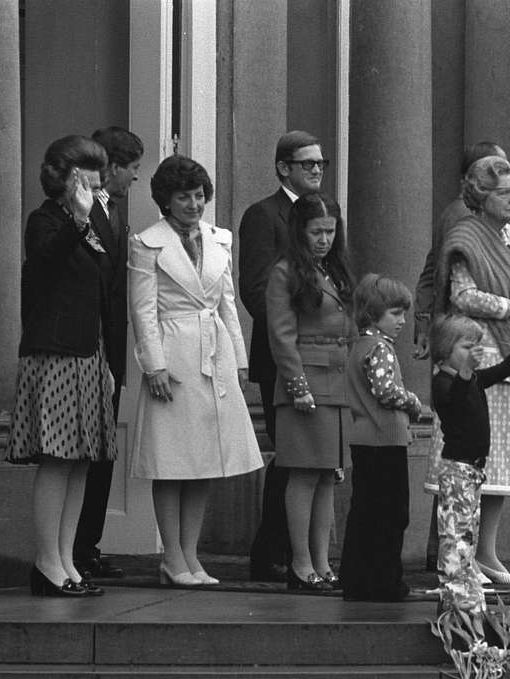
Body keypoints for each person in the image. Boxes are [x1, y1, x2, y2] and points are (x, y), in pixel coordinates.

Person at [128, 155, 263, 586]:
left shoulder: (217, 239)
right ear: (166, 201)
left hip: (214, 354)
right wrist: (154, 366)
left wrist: (239, 362)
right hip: (172, 352)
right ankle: (171, 555)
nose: (193, 204)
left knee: (205, 460)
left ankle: (191, 553)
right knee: (171, 459)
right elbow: (142, 311)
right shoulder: (147, 243)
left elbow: (227, 303)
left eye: (199, 195)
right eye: (183, 196)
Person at [5, 135, 118, 597]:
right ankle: (46, 562)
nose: (94, 187)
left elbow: (102, 289)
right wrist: (78, 213)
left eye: (97, 180)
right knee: (56, 460)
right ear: (65, 180)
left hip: (88, 353)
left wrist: (107, 357)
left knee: (80, 464)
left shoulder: (91, 222)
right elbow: (47, 257)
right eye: (85, 179)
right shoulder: (46, 220)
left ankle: (67, 559)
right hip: (53, 354)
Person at [425, 155, 510, 585]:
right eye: (505, 193)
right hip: (477, 351)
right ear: (482, 195)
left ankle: (488, 554)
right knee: (469, 458)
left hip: (508, 349)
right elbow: (463, 295)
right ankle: (463, 554)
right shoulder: (466, 236)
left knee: (500, 462)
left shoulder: (507, 237)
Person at [414, 141, 507, 572]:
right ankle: (450, 558)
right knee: (454, 453)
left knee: (476, 465)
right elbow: (444, 274)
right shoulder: (463, 221)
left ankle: (469, 556)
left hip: (493, 345)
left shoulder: (504, 231)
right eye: (502, 181)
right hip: (468, 340)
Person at [240, 130, 326, 582]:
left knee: (316, 460)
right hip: (283, 357)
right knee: (292, 456)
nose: (316, 170)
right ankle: (270, 553)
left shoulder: (323, 215)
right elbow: (255, 289)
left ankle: (303, 555)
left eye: (320, 163)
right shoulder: (264, 215)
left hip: (323, 362)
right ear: (283, 168)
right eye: (307, 163)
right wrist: (292, 330)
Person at [430, 315, 510, 613]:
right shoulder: (443, 381)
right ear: (447, 348)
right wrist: (465, 371)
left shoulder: (471, 378)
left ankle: (465, 588)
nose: (474, 351)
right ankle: (454, 594)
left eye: (476, 345)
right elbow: (454, 402)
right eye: (466, 346)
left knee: (467, 532)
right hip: (455, 469)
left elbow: (503, 369)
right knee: (454, 535)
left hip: (473, 469)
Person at [266, 191, 354, 591]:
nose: (324, 239)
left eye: (330, 231)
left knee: (326, 478)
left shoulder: (333, 270)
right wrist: (297, 386)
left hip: (337, 384)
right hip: (306, 385)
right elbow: (282, 337)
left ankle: (322, 563)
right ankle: (301, 565)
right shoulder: (285, 272)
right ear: (299, 231)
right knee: (303, 475)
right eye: (317, 231)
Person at [73, 126, 143, 582]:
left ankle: (88, 546)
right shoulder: (85, 216)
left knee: (103, 453)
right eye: (132, 169)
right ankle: (77, 549)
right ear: (112, 167)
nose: (134, 179)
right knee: (87, 454)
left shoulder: (115, 213)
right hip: (87, 349)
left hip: (111, 352)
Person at [340, 274, 422, 602]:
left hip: (364, 436)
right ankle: (386, 582)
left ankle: (358, 579)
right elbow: (386, 392)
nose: (402, 321)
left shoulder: (358, 345)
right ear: (374, 314)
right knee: (391, 514)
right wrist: (414, 402)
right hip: (383, 440)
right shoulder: (380, 348)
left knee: (364, 512)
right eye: (395, 314)